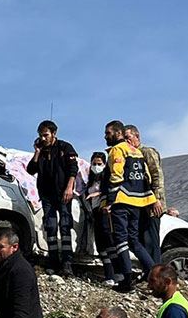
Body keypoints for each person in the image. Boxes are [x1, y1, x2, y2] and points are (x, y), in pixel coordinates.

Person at [103, 120, 158, 291]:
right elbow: (146, 177)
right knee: (134, 240)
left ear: (118, 133)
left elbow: (116, 175)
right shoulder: (136, 152)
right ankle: (153, 271)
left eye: (108, 133)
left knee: (121, 240)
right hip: (138, 202)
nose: (105, 137)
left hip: (122, 200)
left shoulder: (117, 150)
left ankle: (127, 280)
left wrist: (110, 201)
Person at [26, 121, 80, 274]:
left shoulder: (64, 147)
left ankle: (67, 262)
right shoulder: (41, 151)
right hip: (47, 195)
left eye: (46, 135)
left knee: (64, 225)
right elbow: (31, 170)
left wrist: (69, 188)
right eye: (40, 135)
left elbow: (73, 169)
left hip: (63, 193)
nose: (43, 138)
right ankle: (53, 260)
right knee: (50, 227)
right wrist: (37, 152)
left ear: (54, 134)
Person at [125, 125, 173, 263]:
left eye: (129, 138)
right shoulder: (128, 155)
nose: (127, 142)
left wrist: (156, 199)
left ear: (137, 136)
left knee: (151, 239)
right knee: (139, 240)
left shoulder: (147, 152)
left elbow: (157, 176)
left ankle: (156, 273)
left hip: (151, 205)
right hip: (138, 204)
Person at [81, 151, 117, 286]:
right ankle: (109, 275)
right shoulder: (91, 180)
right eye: (94, 164)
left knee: (109, 242)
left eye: (99, 164)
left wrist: (97, 193)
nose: (96, 166)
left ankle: (117, 274)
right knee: (100, 244)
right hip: (94, 212)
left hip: (104, 211)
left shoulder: (107, 178)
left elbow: (111, 190)